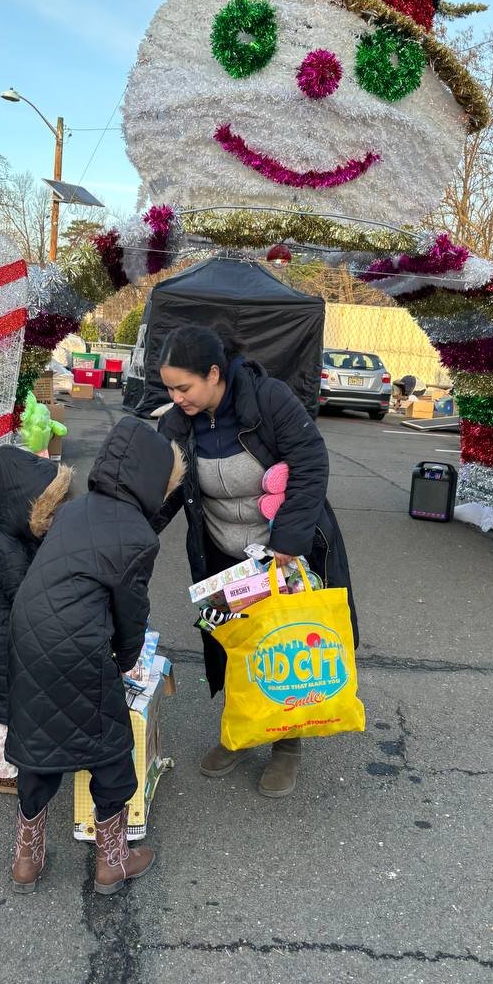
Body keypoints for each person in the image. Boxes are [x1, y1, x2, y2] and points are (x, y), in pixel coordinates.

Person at [155, 324, 357, 799]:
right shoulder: (178, 422)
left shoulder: (269, 399)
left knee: (285, 648)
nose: (176, 398)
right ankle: (241, 731)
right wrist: (129, 535)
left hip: (282, 554)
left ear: (214, 374)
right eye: (169, 389)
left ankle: (287, 742)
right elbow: (163, 487)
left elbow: (310, 462)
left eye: (184, 387)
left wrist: (289, 539)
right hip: (222, 555)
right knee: (233, 646)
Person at [4, 416, 184, 895]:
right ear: (153, 479)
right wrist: (125, 658)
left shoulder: (73, 510)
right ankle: (112, 861)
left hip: (27, 637)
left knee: (40, 743)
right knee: (109, 750)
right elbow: (131, 610)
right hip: (80, 646)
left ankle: (26, 859)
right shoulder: (138, 536)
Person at [0, 447, 73, 793]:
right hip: (0, 647)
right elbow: (29, 603)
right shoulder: (10, 554)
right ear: (26, 507)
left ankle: (8, 755)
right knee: (8, 711)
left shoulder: (13, 537)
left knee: (10, 706)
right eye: (49, 509)